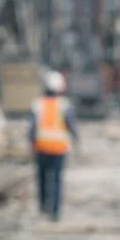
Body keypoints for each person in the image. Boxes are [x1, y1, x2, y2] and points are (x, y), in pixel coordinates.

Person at [29, 70, 79, 222]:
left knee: (42, 178)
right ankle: (55, 212)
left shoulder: (37, 104)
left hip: (42, 147)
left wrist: (31, 142)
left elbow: (32, 128)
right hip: (58, 148)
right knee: (56, 180)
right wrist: (76, 139)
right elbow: (71, 125)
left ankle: (43, 206)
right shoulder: (64, 105)